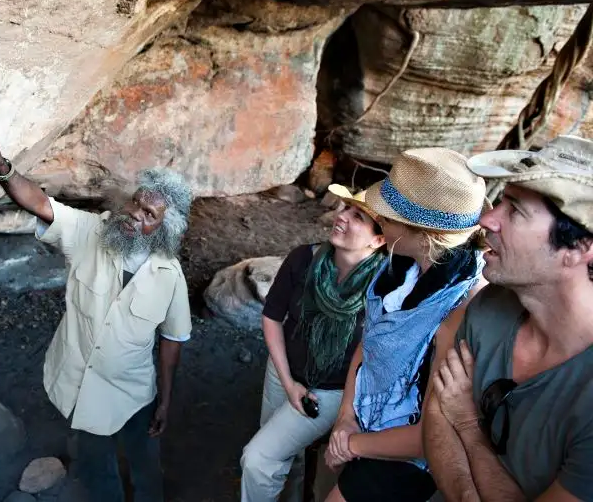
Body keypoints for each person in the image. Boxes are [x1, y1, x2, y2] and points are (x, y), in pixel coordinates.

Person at [0, 107, 193, 502]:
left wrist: (165, 399)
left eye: (148, 214)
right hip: (83, 387)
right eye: (136, 203)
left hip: (134, 394)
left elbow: (172, 341)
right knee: (98, 471)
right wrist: (1, 166)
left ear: (163, 228)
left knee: (145, 466)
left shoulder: (171, 276)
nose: (134, 214)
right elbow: (39, 202)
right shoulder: (91, 233)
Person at [425, 135, 593, 502]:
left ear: (578, 248)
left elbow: (453, 413)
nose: (487, 218)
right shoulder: (490, 306)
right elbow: (438, 412)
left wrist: (468, 425)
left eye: (514, 209)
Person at [323, 148, 490, 502]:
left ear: (422, 233)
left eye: (388, 214)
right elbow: (368, 348)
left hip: (409, 458)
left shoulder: (461, 308)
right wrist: (345, 418)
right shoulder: (402, 271)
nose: (379, 219)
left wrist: (348, 443)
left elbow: (430, 433)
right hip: (368, 426)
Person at [240, 184, 386, 502]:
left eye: (357, 215)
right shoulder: (303, 259)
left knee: (258, 458)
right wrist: (288, 382)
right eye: (345, 208)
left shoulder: (385, 288)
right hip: (282, 374)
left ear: (378, 239)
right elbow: (272, 318)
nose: (342, 216)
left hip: (333, 391)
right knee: (280, 453)